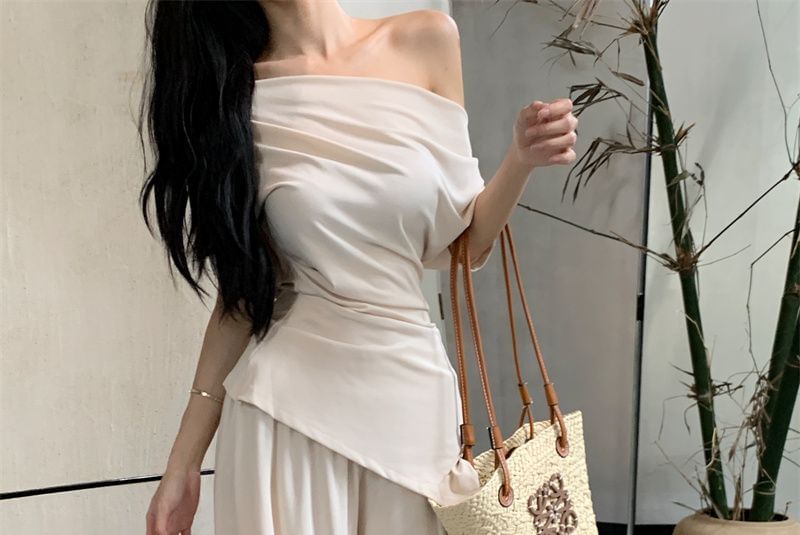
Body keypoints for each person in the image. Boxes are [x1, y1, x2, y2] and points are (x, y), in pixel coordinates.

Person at [140, 1, 578, 534]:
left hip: (413, 409)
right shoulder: (237, 99)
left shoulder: (427, 40)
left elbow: (463, 243)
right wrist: (183, 463)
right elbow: (242, 296)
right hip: (287, 418)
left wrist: (520, 161)